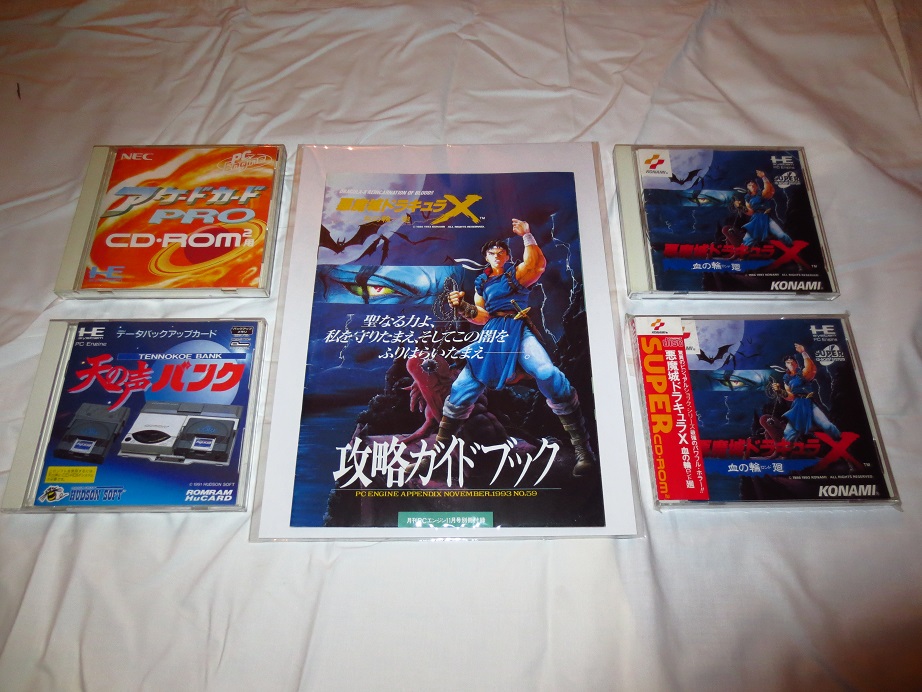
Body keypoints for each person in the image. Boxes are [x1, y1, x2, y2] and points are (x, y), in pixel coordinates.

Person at [436, 218, 595, 478]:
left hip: (517, 329)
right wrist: (461, 306)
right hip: (492, 334)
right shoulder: (482, 283)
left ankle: (582, 449)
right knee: (462, 387)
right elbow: (482, 316)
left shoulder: (514, 274)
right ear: (486, 257)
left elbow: (536, 266)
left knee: (547, 373)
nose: (497, 255)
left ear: (507, 255)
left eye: (501, 251)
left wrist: (527, 235)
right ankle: (437, 455)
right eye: (492, 252)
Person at [772, 343, 841, 443]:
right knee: (790, 431)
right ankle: (784, 447)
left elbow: (810, 368)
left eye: (792, 362)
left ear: (796, 363)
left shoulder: (802, 373)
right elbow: (790, 396)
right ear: (786, 365)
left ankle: (841, 441)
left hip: (809, 402)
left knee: (826, 424)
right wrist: (779, 391)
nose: (791, 364)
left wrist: (803, 352)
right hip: (798, 404)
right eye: (788, 363)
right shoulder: (787, 379)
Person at [742, 170, 793, 246]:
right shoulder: (747, 198)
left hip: (766, 218)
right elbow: (750, 212)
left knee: (781, 235)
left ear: (756, 186)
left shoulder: (762, 194)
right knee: (747, 239)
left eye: (753, 185)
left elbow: (768, 188)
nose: (752, 186)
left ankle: (792, 246)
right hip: (756, 219)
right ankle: (744, 251)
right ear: (747, 187)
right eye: (749, 185)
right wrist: (740, 207)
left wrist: (763, 177)